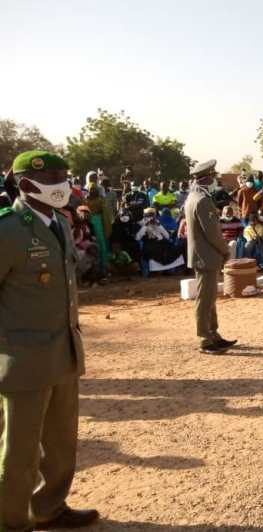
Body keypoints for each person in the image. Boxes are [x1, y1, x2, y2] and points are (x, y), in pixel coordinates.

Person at [0, 150, 99, 531]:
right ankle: (11, 520)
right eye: (54, 180)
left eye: (63, 177)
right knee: (19, 450)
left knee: (61, 443)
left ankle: (49, 507)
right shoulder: (8, 229)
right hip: (22, 358)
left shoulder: (58, 221)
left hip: (63, 350)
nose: (63, 187)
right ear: (26, 185)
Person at [185, 160, 237, 353]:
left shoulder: (194, 197)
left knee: (209, 298)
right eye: (213, 177)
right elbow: (213, 233)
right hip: (207, 256)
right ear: (206, 178)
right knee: (205, 299)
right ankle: (205, 339)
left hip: (203, 255)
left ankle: (213, 334)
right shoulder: (202, 200)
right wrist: (225, 250)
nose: (215, 180)